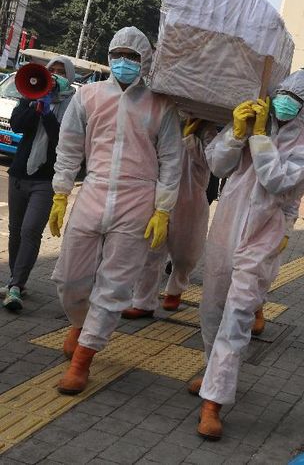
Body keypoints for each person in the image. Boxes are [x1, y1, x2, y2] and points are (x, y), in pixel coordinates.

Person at [49, 27, 182, 395]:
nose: (124, 61)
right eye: (118, 54)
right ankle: (80, 324)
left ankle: (82, 361)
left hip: (138, 199)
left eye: (132, 56)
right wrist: (60, 193)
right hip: (93, 191)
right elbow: (69, 147)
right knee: (69, 278)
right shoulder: (87, 96)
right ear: (109, 56)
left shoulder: (161, 105)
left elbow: (172, 160)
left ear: (145, 60)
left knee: (114, 286)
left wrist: (163, 209)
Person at [195, 70, 304, 440]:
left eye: (294, 99)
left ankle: (213, 403)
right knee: (211, 309)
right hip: (225, 230)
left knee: (237, 316)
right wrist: (236, 134)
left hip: (263, 239)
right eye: (281, 94)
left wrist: (261, 138)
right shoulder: (250, 124)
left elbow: (276, 181)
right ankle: (212, 373)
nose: (285, 103)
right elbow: (218, 166)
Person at [122, 118, 217, 319]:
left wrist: (191, 138)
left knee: (186, 253)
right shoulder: (165, 120)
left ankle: (176, 288)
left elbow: (213, 163)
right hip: (160, 194)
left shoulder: (207, 130)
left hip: (190, 199)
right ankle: (143, 302)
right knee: (151, 250)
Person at [2, 56, 76, 312]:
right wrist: (35, 106)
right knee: (15, 230)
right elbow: (16, 125)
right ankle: (16, 282)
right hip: (19, 173)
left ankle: (15, 285)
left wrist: (48, 115)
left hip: (46, 179)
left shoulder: (73, 105)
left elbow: (63, 140)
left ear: (69, 77)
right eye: (51, 70)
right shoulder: (31, 95)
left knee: (30, 231)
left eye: (61, 72)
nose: (55, 75)